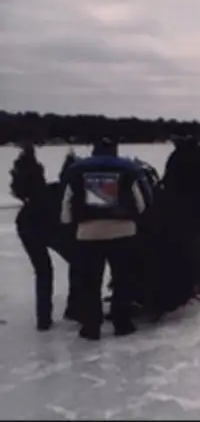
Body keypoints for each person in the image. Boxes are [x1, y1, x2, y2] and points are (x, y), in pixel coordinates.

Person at [60, 138, 150, 340]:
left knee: (90, 282)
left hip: (88, 233)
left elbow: (66, 203)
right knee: (122, 280)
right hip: (123, 231)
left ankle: (91, 327)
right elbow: (141, 202)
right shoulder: (129, 168)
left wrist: (70, 227)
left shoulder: (76, 170)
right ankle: (122, 323)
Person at [11, 145, 80, 330]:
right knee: (78, 261)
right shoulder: (57, 191)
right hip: (49, 225)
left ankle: (44, 319)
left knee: (43, 271)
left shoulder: (40, 195)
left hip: (26, 224)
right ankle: (74, 308)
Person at [161, 134, 200, 296]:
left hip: (180, 209)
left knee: (182, 246)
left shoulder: (176, 157)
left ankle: (185, 281)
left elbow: (168, 182)